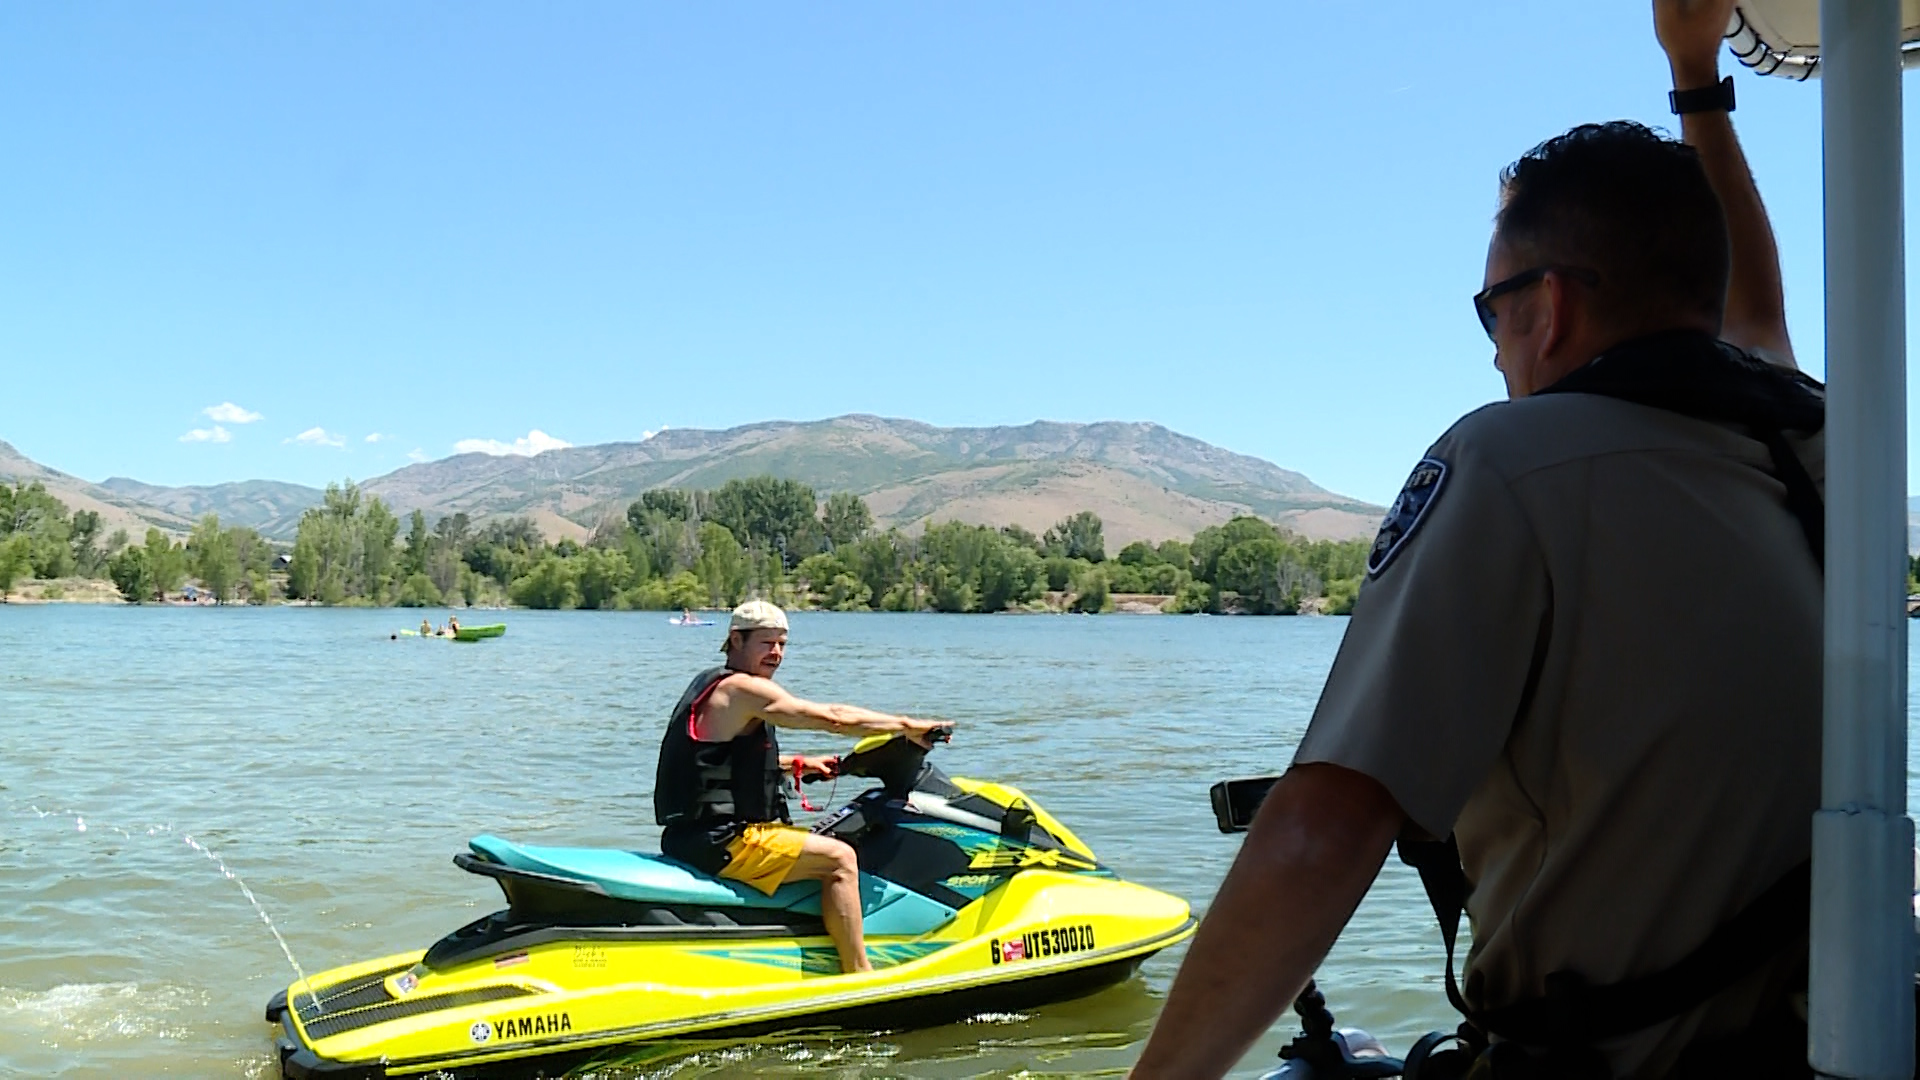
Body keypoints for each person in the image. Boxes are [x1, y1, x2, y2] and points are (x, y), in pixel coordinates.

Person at [1131, 2, 1819, 1077]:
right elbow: (1757, 321)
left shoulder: (1511, 461)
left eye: (1490, 311)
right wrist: (1694, 82)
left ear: (1546, 308)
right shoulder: (1804, 450)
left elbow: (1327, 827)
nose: (1495, 352)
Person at [654, 600, 951, 974]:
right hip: (724, 839)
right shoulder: (743, 690)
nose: (776, 653)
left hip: (695, 835)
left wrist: (796, 764)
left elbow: (714, 760)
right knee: (841, 860)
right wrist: (907, 725)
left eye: (782, 644)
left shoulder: (711, 684)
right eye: (766, 643)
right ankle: (860, 975)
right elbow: (834, 718)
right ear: (736, 640)